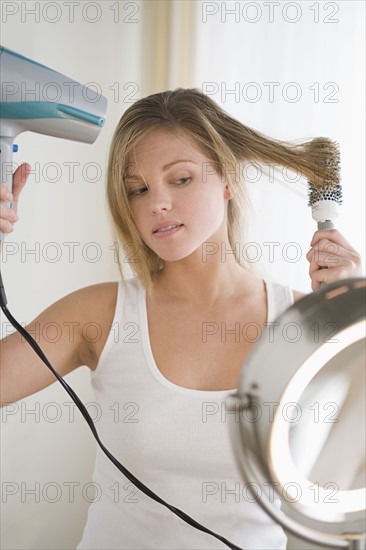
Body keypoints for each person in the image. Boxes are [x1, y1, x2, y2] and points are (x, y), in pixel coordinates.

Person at [0, 89, 362, 549]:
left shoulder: (302, 323)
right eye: (138, 189)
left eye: (182, 179)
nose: (158, 204)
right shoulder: (100, 315)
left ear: (228, 179)